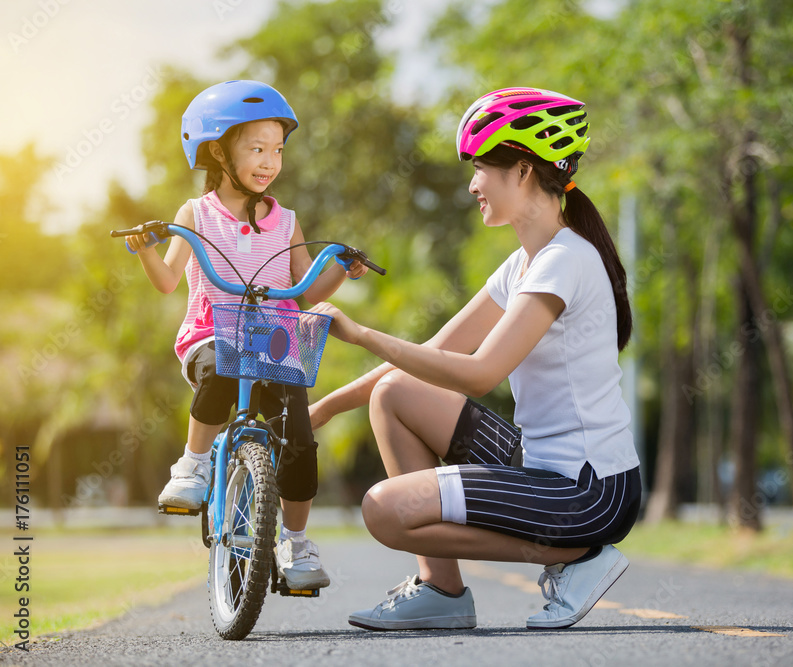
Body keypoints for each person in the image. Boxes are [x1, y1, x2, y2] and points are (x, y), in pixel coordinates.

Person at [308, 87, 641, 630]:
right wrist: (320, 411)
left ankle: (576, 557)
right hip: (541, 465)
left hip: (588, 491)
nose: (472, 184)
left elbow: (482, 373)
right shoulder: (524, 264)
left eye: (481, 167)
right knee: (394, 395)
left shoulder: (566, 260)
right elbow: (435, 354)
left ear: (524, 170)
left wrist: (363, 334)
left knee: (384, 509)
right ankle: (442, 590)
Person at [125, 80, 367, 590]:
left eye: (277, 149)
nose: (269, 161)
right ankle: (191, 466)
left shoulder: (287, 221)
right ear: (218, 151)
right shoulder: (197, 214)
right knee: (220, 364)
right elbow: (169, 281)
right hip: (211, 336)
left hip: (275, 345)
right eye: (256, 148)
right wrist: (147, 248)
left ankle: (296, 544)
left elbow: (305, 290)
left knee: (299, 441)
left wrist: (341, 268)